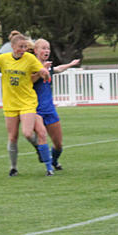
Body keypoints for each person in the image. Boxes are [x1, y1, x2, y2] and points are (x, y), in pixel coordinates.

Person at [0, 31, 54, 176]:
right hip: (10, 103)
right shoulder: (3, 59)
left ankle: (39, 149)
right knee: (12, 137)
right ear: (13, 47)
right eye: (21, 47)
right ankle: (13, 168)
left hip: (27, 102)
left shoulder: (29, 58)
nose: (24, 50)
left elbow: (39, 69)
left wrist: (44, 73)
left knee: (27, 133)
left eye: (25, 47)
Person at [29, 38, 80, 171]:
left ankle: (54, 161)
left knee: (58, 145)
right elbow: (29, 81)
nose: (46, 51)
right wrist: (41, 71)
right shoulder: (30, 65)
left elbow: (57, 69)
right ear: (36, 50)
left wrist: (70, 64)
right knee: (42, 136)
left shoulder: (48, 66)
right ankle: (47, 166)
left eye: (48, 48)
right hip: (35, 110)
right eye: (43, 48)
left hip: (49, 110)